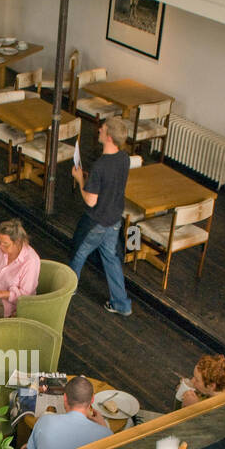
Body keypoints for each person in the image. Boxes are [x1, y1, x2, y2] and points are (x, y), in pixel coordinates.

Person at [70, 116, 133, 316]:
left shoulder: (100, 166)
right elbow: (109, 184)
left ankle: (67, 290)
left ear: (109, 137)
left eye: (103, 129)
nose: (99, 130)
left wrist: (80, 179)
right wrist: (91, 181)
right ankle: (121, 304)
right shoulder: (124, 158)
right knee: (111, 259)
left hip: (97, 221)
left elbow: (90, 201)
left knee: (78, 253)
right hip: (114, 219)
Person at [25, 376, 111, 449]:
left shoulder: (44, 421)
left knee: (26, 447)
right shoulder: (106, 434)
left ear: (65, 398)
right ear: (92, 400)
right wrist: (103, 425)